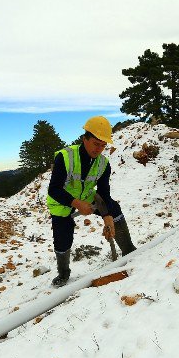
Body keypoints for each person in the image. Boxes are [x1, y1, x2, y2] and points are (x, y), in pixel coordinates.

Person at [46, 116, 137, 286]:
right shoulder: (65, 157)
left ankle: (129, 251)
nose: (99, 149)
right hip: (61, 201)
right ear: (84, 139)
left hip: (86, 197)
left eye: (103, 145)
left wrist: (107, 215)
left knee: (114, 209)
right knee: (63, 237)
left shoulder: (103, 164)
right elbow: (54, 190)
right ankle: (63, 274)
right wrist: (76, 203)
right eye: (96, 143)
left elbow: (104, 192)